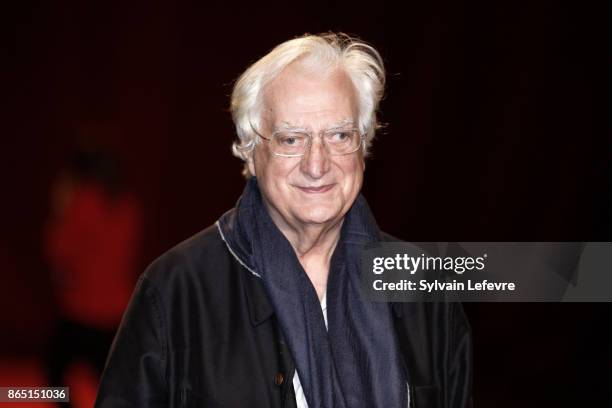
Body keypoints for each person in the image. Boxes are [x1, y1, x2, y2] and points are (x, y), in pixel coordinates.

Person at [95, 33, 472, 408]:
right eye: (291, 139)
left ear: (364, 144)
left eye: (339, 135)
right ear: (250, 151)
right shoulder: (175, 289)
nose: (317, 164)